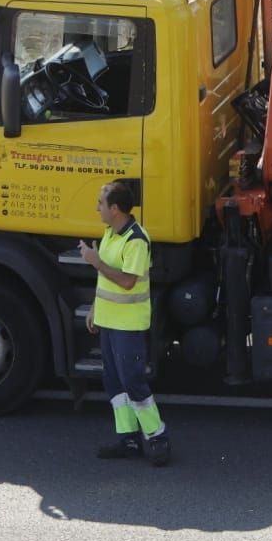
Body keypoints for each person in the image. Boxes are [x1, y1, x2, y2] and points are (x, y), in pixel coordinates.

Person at [81, 179, 170, 467]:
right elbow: (105, 280)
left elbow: (128, 281)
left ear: (115, 208)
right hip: (109, 321)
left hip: (128, 324)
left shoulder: (136, 240)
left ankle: (157, 437)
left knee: (132, 380)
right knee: (114, 381)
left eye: (100, 203)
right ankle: (128, 439)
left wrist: (95, 261)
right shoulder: (111, 233)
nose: (97, 208)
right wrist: (95, 308)